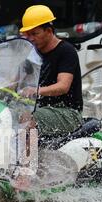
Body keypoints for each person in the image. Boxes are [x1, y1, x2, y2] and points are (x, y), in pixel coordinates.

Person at [19, 5, 84, 138]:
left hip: (67, 112)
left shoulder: (66, 51)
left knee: (27, 119)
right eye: (27, 34)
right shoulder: (31, 54)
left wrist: (36, 91)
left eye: (34, 34)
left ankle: (28, 159)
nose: (30, 38)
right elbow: (17, 81)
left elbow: (63, 86)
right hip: (40, 109)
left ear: (48, 31)